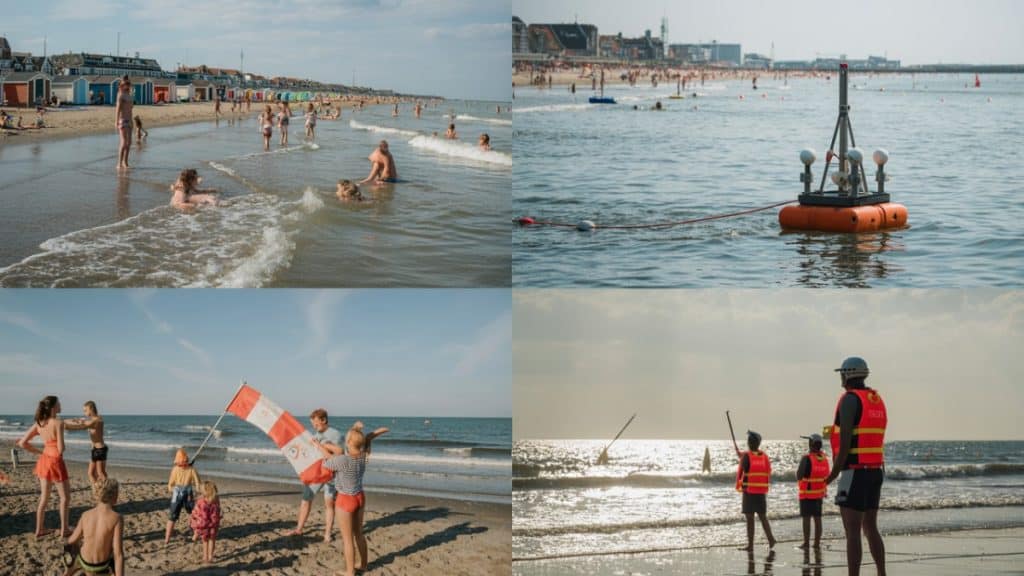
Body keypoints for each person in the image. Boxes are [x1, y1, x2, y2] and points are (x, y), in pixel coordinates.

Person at [824, 357, 887, 576]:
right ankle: (881, 573)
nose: (841, 378)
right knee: (870, 528)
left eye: (842, 374)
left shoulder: (850, 400)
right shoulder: (875, 400)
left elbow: (845, 444)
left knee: (852, 531)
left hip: (853, 472)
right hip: (875, 471)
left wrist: (832, 475)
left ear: (848, 374)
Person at [319, 424, 389, 576]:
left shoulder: (342, 460)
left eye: (347, 439)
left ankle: (350, 572)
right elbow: (367, 439)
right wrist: (376, 433)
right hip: (359, 497)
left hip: (345, 500)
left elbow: (325, 464)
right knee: (359, 534)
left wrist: (320, 446)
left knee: (347, 539)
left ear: (349, 442)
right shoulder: (363, 456)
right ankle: (363, 565)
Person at [17, 395, 72, 538]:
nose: (61, 405)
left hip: (44, 460)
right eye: (59, 403)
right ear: (53, 407)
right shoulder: (58, 422)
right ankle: (64, 529)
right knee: (65, 498)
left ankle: (39, 529)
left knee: (44, 497)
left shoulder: (39, 423)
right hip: (55, 461)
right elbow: (61, 449)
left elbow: (22, 443)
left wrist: (39, 452)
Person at [287, 409, 344, 541]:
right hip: (317, 473)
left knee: (329, 504)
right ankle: (299, 529)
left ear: (324, 420)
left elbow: (337, 456)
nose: (314, 427)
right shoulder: (316, 434)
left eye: (316, 424)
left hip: (331, 474)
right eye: (313, 424)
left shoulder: (336, 435)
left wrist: (320, 446)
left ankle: (327, 533)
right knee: (306, 499)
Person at [62, 479, 124, 576]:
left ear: (96, 495)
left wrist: (68, 546)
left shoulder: (85, 515)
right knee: (113, 557)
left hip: (84, 562)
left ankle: (68, 571)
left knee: (72, 546)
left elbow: (72, 540)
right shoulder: (117, 518)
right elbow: (118, 553)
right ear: (115, 496)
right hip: (101, 566)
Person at [735, 430, 776, 551]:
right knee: (763, 517)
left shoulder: (746, 456)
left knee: (750, 518)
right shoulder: (764, 456)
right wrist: (742, 456)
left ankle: (750, 545)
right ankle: (771, 539)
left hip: (749, 491)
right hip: (761, 491)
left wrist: (741, 457)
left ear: (750, 443)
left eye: (749, 441)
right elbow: (768, 471)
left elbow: (743, 467)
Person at [796, 433, 830, 550]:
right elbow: (827, 475)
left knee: (806, 519)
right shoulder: (824, 458)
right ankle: (816, 543)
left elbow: (799, 476)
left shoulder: (806, 458)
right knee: (818, 519)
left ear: (811, 444)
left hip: (807, 494)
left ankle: (806, 543)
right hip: (819, 494)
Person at [164, 448, 201, 544]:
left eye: (183, 463)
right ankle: (167, 538)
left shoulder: (190, 469)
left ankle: (190, 529)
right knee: (173, 516)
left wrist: (197, 491)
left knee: (190, 513)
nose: (181, 465)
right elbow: (170, 485)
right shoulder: (178, 469)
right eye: (180, 463)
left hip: (186, 493)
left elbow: (197, 482)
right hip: (179, 494)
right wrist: (173, 490)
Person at [65, 401, 108, 485]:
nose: (84, 412)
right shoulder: (92, 420)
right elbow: (84, 424)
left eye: (85, 410)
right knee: (91, 473)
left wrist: (69, 426)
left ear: (91, 409)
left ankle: (106, 488)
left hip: (100, 449)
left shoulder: (97, 420)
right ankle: (97, 488)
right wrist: (75, 421)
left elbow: (84, 426)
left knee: (100, 473)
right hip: (95, 449)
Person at [190, 481, 222, 564]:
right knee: (212, 540)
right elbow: (218, 510)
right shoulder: (216, 499)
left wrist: (194, 518)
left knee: (205, 540)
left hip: (204, 523)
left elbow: (197, 512)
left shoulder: (201, 500)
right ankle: (210, 557)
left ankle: (205, 557)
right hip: (213, 524)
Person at [115, 76, 133, 170]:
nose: (128, 85)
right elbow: (117, 109)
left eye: (129, 84)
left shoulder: (129, 95)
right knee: (123, 142)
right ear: (122, 85)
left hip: (129, 121)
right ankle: (119, 163)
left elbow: (130, 110)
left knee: (129, 143)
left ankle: (125, 162)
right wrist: (116, 121)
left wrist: (132, 121)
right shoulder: (120, 95)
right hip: (122, 121)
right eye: (126, 84)